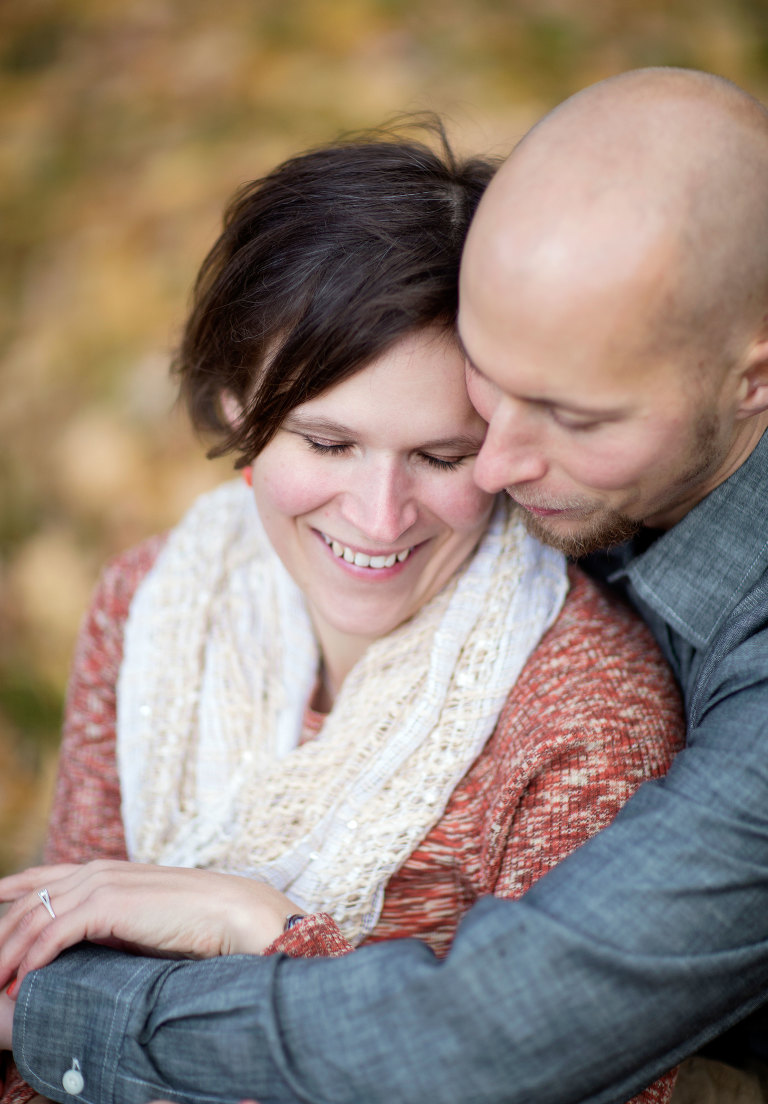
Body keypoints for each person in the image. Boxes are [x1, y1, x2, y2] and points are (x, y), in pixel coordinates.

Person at [0, 117, 688, 1104]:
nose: (377, 516)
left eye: (442, 457)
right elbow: (39, 1003)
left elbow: (588, 1085)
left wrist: (261, 928)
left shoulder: (582, 715)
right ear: (239, 405)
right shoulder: (151, 604)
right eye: (327, 444)